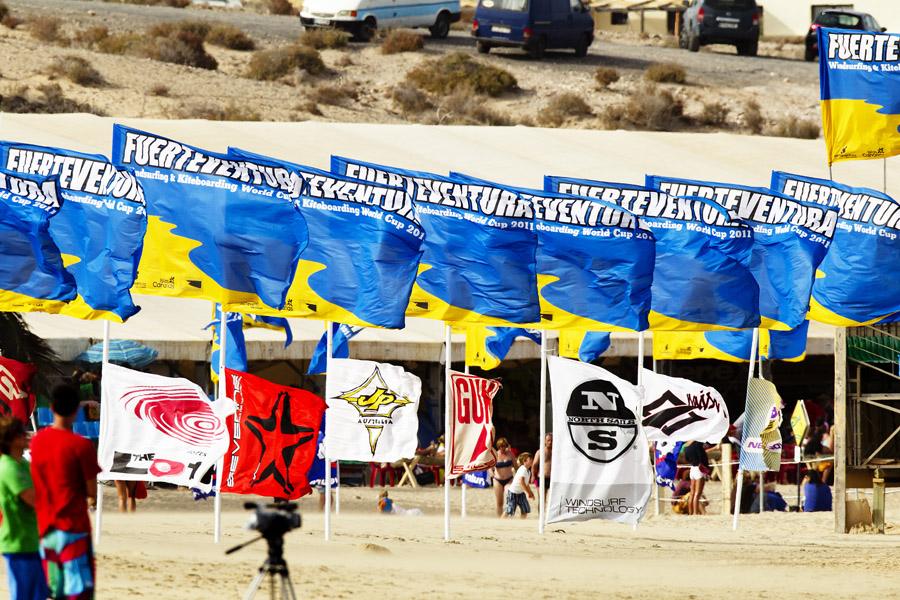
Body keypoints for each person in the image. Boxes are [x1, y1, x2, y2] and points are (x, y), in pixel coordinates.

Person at [29, 383, 102, 600]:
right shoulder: (81, 445)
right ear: (76, 410)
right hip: (73, 527)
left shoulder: (37, 441)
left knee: (53, 590)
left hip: (45, 527)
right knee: (78, 591)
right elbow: (92, 491)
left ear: (51, 407)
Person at [0, 417, 49, 600]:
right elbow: (34, 500)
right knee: (23, 596)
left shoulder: (24, 464)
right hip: (17, 543)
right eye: (20, 433)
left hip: (33, 540)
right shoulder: (8, 467)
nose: (25, 435)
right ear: (9, 439)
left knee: (39, 595)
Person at [489, 437, 516, 517]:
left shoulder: (510, 454)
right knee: (499, 502)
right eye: (501, 446)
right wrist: (491, 472)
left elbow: (515, 466)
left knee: (510, 497)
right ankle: (499, 518)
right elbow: (490, 466)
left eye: (504, 446)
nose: (503, 448)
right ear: (498, 446)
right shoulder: (495, 455)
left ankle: (510, 516)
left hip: (509, 479)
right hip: (498, 480)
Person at [504, 452, 535, 519]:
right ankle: (500, 521)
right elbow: (522, 482)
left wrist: (531, 492)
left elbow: (526, 484)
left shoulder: (528, 471)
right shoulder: (522, 469)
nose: (532, 460)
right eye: (530, 459)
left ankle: (521, 523)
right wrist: (528, 492)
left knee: (525, 509)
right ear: (524, 461)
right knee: (509, 511)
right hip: (513, 493)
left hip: (520, 493)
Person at [683, 440, 709, 515]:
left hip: (692, 468)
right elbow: (702, 457)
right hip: (699, 468)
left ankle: (691, 512)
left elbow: (687, 459)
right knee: (698, 493)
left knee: (692, 493)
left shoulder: (686, 445)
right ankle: (695, 512)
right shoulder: (697, 443)